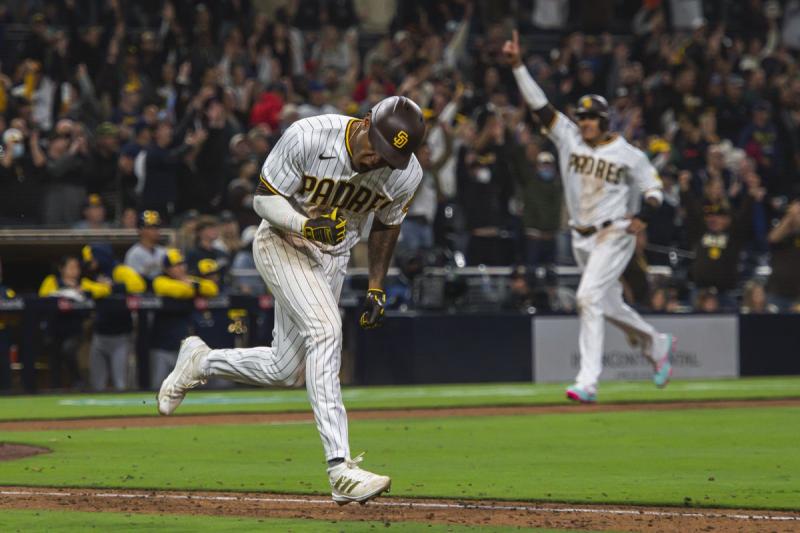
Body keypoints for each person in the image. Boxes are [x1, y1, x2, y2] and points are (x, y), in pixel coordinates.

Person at [157, 95, 425, 504]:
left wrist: (375, 284)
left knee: (285, 369)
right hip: (282, 241)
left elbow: (387, 225)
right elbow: (262, 199)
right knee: (325, 329)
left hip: (332, 259)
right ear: (366, 120)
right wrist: (306, 225)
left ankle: (201, 360)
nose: (380, 161)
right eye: (379, 148)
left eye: (392, 156)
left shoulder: (404, 173)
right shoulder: (309, 135)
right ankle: (341, 469)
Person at [504, 31, 675, 404]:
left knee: (586, 297)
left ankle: (588, 381)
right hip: (581, 236)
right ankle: (656, 342)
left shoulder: (628, 153)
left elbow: (655, 190)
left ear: (604, 120)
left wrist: (644, 215)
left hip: (614, 233)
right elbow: (540, 107)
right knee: (608, 304)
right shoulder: (569, 138)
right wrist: (518, 66)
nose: (582, 123)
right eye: (580, 117)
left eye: (590, 118)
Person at [151, 249, 218, 388]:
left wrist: (192, 285)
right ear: (167, 269)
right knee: (158, 388)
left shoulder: (190, 280)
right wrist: (191, 287)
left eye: (183, 264)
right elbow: (178, 290)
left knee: (186, 390)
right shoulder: (159, 280)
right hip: (161, 347)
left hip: (183, 350)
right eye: (176, 265)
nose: (181, 268)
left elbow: (212, 288)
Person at [124, 210, 167, 282]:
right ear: (140, 230)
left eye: (157, 227)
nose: (155, 230)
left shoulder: (164, 251)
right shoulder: (134, 254)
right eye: (150, 227)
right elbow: (132, 280)